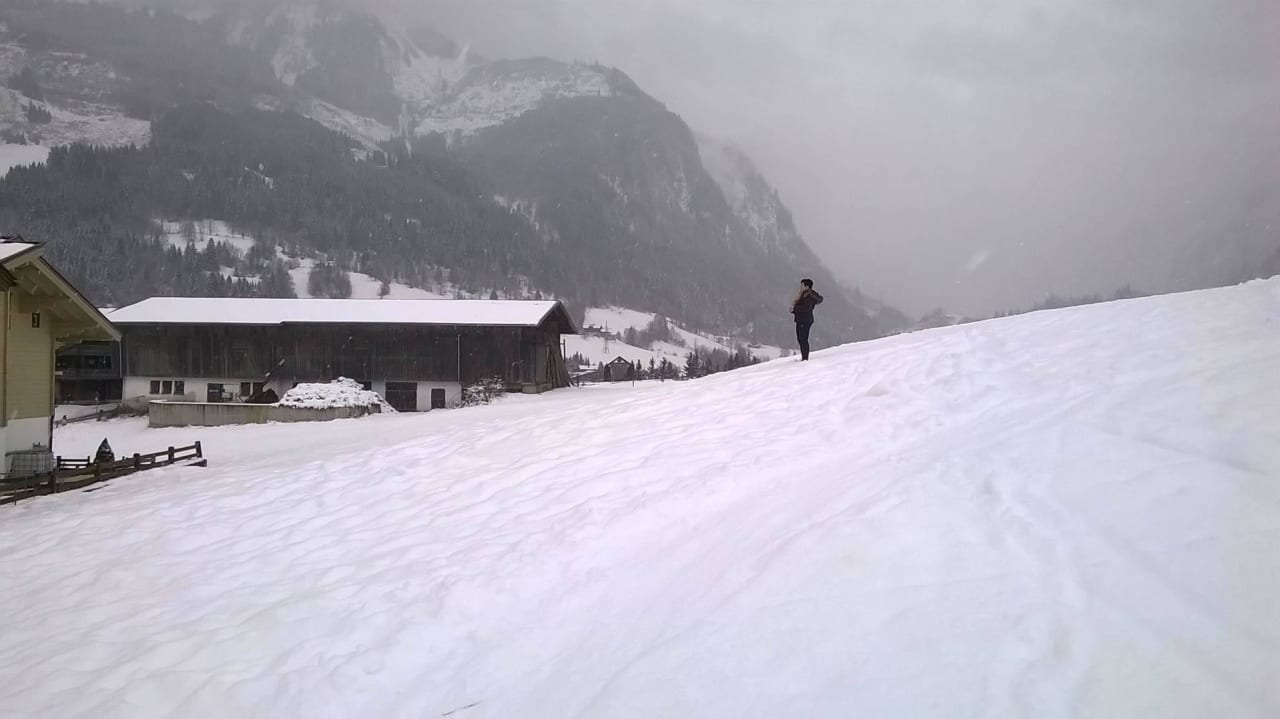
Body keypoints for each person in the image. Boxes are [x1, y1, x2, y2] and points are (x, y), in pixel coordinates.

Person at [790, 278, 824, 361]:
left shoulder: (809, 296)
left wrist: (794, 309)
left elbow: (806, 308)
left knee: (803, 339)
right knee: (801, 339)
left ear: (807, 286)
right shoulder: (804, 294)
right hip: (802, 319)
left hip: (805, 320)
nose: (800, 287)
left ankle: (805, 358)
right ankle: (804, 357)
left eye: (802, 285)